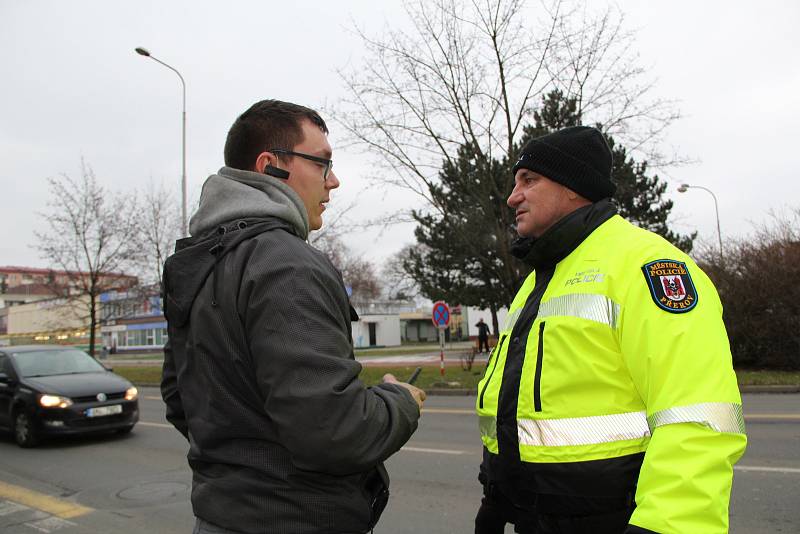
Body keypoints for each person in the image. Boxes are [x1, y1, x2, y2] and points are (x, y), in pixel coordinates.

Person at [161, 99, 425, 534]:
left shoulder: (195, 263)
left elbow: (180, 399)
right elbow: (337, 432)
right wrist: (401, 402)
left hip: (218, 517)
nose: (334, 181)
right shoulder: (285, 262)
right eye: (322, 163)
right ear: (271, 167)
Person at [474, 126, 746, 534]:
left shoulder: (647, 266)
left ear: (572, 187)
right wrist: (497, 503)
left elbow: (699, 420)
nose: (513, 196)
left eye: (528, 180)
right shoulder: (540, 277)